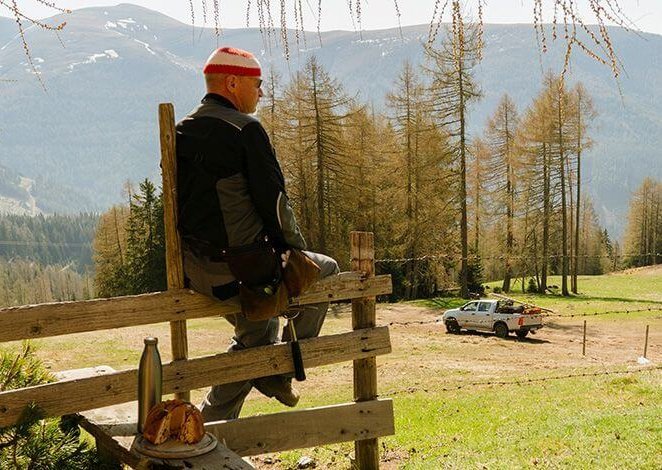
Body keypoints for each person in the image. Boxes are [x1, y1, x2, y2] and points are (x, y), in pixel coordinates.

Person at [175, 46, 339, 422]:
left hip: (197, 270)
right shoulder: (245, 130)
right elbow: (276, 203)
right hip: (244, 271)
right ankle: (278, 371)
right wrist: (296, 253)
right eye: (257, 84)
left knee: (257, 334)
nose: (261, 93)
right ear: (232, 83)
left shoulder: (182, 129)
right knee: (324, 268)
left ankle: (211, 424)